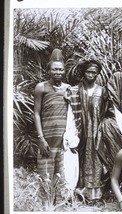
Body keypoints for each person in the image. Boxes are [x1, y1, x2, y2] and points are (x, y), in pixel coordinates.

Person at [66, 58, 110, 201]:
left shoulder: (102, 91)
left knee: (96, 161)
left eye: (94, 72)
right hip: (80, 132)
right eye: (88, 72)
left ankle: (95, 195)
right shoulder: (74, 90)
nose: (91, 75)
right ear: (83, 72)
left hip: (97, 132)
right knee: (80, 159)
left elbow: (106, 111)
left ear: (98, 74)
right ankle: (79, 193)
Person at [34, 48, 70, 202]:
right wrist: (41, 138)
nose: (58, 72)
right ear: (48, 70)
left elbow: (73, 114)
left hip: (63, 140)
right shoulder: (41, 87)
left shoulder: (68, 89)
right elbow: (36, 113)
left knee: (62, 178)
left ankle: (60, 206)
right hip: (47, 140)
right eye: (55, 69)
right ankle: (46, 207)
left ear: (64, 71)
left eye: (60, 69)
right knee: (46, 177)